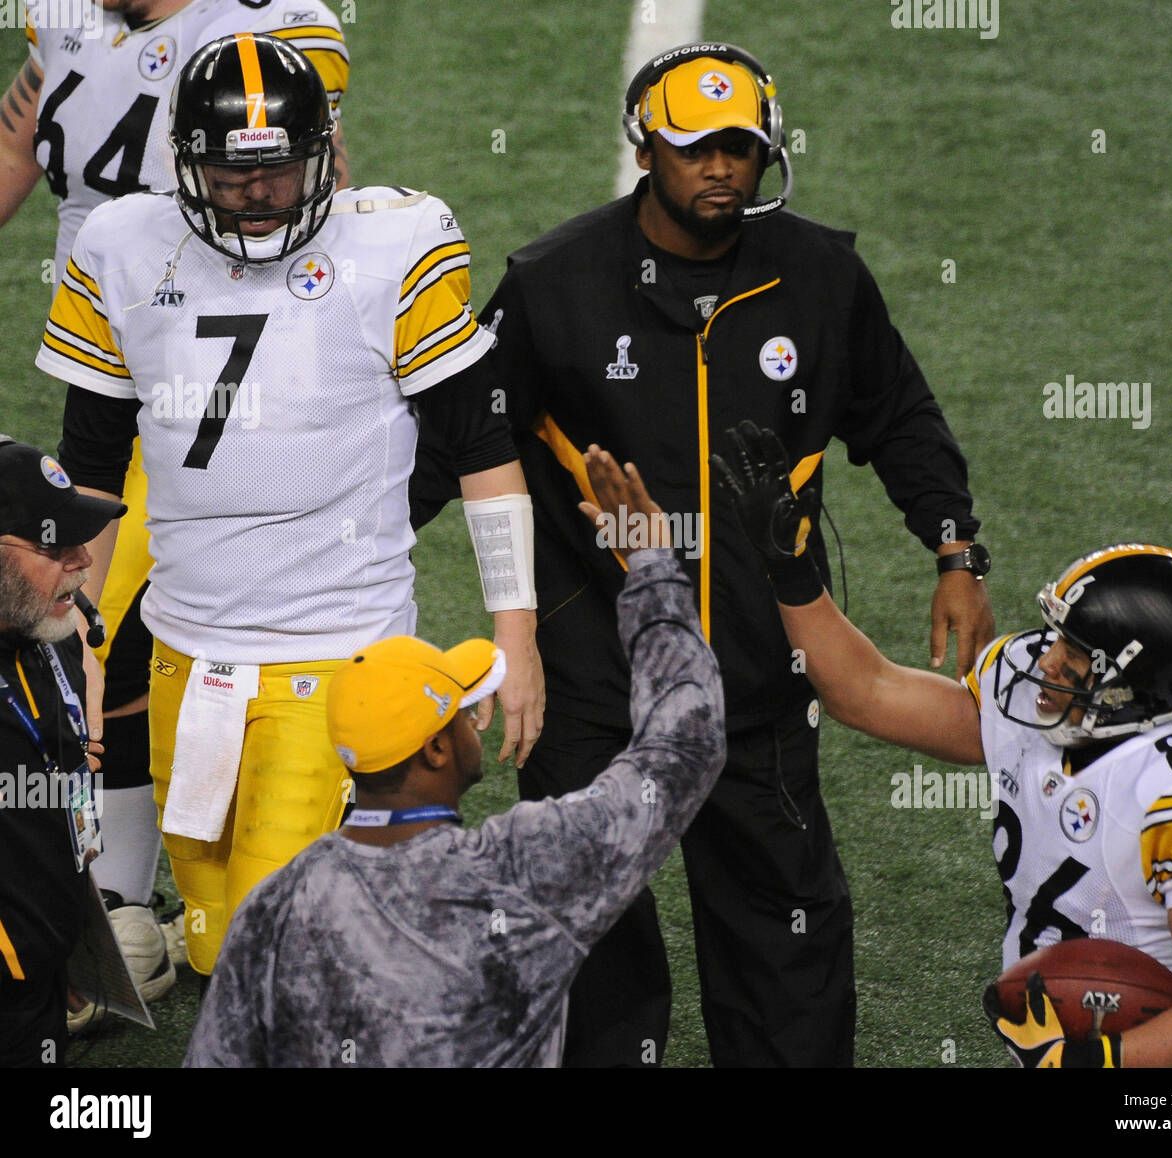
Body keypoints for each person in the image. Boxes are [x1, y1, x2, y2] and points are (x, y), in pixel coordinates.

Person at [475, 41, 994, 1066]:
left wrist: (954, 548)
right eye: (696, 148)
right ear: (645, 151)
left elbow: (898, 417)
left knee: (784, 938)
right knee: (585, 938)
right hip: (595, 681)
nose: (721, 169)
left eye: (740, 149)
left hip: (758, 673)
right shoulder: (549, 283)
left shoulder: (821, 277)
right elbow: (469, 438)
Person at [33, 32, 544, 984]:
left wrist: (518, 635)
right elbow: (93, 468)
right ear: (184, 161)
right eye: (232, 175)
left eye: (282, 170)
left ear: (327, 152)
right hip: (188, 651)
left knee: (277, 951)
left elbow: (483, 452)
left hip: (335, 650)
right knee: (215, 940)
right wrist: (80, 637)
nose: (260, 195)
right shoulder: (121, 245)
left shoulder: (394, 244)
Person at [714, 422, 1172, 1068]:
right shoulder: (1036, 710)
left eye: (1076, 656)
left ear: (1138, 686)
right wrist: (789, 570)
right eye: (1058, 638)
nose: (1047, 663)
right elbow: (864, 691)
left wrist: (1088, 1061)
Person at [0, 0, 352, 1009]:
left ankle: (126, 908)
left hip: (212, 377)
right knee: (69, 623)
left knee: (124, 629)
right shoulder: (66, 17)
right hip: (103, 368)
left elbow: (319, 173)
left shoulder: (267, 24)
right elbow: (23, 133)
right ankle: (108, 910)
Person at [184, 449, 725, 1067]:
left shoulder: (275, 907)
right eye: (459, 710)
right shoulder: (523, 869)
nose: (472, 720)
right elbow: (684, 749)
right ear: (436, 749)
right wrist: (651, 567)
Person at [0, 436, 125, 1066]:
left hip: (42, 967)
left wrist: (57, 946)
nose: (82, 561)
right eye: (53, 546)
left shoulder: (52, 628)